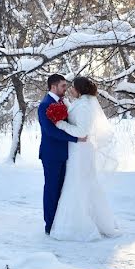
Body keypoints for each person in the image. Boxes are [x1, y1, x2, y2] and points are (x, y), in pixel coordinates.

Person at [48, 76, 119, 241]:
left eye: (72, 87)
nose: (70, 89)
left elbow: (82, 132)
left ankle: (79, 226)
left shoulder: (85, 105)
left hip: (80, 151)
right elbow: (76, 115)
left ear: (79, 89)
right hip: (77, 150)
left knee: (78, 183)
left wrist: (60, 124)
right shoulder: (82, 103)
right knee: (81, 183)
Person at [39, 74, 87, 235]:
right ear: (53, 87)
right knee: (52, 190)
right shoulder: (45, 104)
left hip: (64, 154)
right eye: (63, 86)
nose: (66, 89)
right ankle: (49, 225)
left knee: (60, 189)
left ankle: (58, 223)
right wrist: (75, 138)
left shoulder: (61, 103)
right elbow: (50, 131)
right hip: (51, 155)